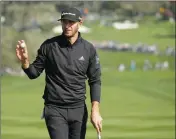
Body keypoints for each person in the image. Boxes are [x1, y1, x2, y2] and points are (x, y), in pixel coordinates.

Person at [15, 7, 102, 139]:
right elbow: (33, 73)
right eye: (64, 22)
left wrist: (95, 111)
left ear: (80, 23)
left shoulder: (88, 49)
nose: (67, 26)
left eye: (71, 23)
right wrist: (25, 62)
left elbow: (95, 80)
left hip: (78, 109)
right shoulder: (49, 46)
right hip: (54, 109)